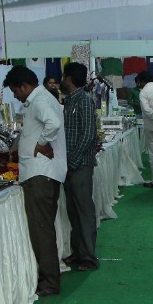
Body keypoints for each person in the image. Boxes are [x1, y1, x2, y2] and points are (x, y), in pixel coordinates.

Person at [5, 65, 67, 296]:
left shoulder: (40, 100)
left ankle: (49, 282)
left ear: (24, 86)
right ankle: (48, 278)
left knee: (41, 230)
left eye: (15, 91)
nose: (15, 96)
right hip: (41, 172)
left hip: (40, 173)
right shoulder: (42, 99)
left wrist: (41, 143)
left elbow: (53, 123)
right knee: (43, 228)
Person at [61, 62, 99, 271]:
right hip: (69, 165)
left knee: (84, 210)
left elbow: (89, 135)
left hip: (80, 165)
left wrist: (72, 161)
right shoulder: (70, 101)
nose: (62, 80)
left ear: (69, 79)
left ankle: (89, 257)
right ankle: (78, 252)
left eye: (64, 77)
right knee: (73, 211)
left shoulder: (84, 100)